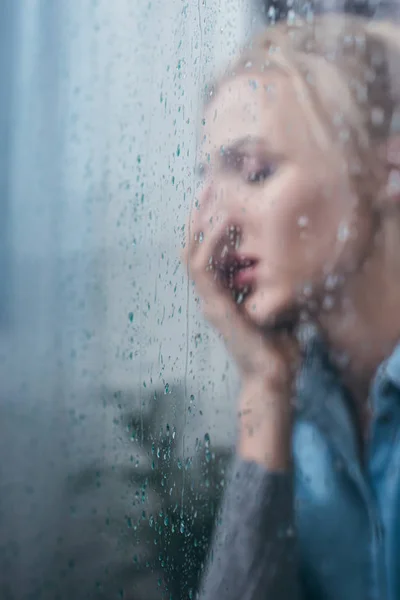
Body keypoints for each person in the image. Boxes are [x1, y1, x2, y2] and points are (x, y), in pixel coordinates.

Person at [182, 14, 400, 600]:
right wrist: (264, 388)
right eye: (210, 189)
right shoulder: (298, 418)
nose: (216, 227)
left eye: (255, 172)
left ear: (388, 168)